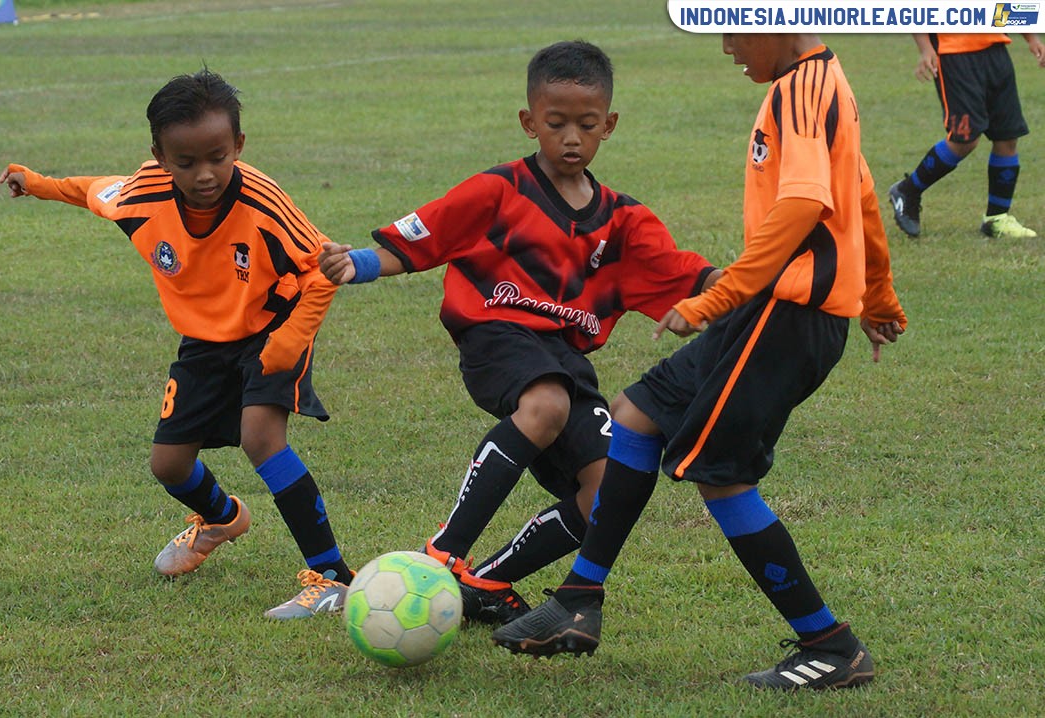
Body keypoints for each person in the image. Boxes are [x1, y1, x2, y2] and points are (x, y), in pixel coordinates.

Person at [493, 34, 908, 692]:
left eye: (730, 24)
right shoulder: (825, 78)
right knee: (634, 417)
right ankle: (580, 598)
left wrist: (714, 299)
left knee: (723, 477)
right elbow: (858, 196)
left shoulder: (801, 90)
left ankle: (830, 645)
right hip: (774, 309)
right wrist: (878, 296)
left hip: (784, 315)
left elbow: (806, 206)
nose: (724, 43)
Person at [319, 40, 718, 625]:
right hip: (495, 336)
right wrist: (361, 263)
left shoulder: (624, 221)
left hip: (563, 356)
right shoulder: (499, 191)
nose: (572, 139)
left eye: (586, 125)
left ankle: (488, 579)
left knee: (611, 486)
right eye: (556, 124)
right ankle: (443, 553)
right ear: (530, 122)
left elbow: (680, 269)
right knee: (546, 402)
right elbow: (427, 235)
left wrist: (741, 285)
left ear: (609, 125)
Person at [0, 69, 355, 619]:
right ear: (160, 157)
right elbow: (93, 190)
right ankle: (219, 517)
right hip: (204, 339)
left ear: (238, 144)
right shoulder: (143, 194)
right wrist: (38, 182)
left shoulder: (264, 203)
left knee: (260, 438)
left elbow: (322, 269)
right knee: (168, 465)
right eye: (186, 162)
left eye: (217, 156)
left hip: (270, 327)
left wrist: (288, 344)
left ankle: (332, 577)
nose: (205, 173)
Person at [889, 32, 1045, 239]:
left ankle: (996, 218)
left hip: (995, 49)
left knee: (1007, 136)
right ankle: (908, 190)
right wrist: (926, 49)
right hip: (953, 53)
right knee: (965, 139)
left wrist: (1032, 38)